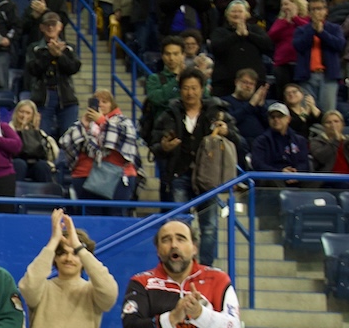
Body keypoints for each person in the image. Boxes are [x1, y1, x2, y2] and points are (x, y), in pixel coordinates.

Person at [152, 69, 244, 267]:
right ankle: (179, 267)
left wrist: (227, 132)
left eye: (194, 88)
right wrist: (165, 147)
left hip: (208, 178)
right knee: (179, 224)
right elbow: (154, 144)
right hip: (179, 173)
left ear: (202, 89)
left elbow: (239, 142)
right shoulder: (169, 113)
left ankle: (206, 269)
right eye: (185, 88)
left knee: (209, 227)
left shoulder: (218, 112)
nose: (190, 93)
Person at [122, 219, 241, 328]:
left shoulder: (218, 279)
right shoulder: (142, 282)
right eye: (166, 240)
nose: (174, 245)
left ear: (194, 247)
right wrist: (172, 318)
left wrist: (200, 314)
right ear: (158, 250)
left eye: (181, 239)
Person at [19, 209, 117, 328]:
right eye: (63, 253)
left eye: (75, 254)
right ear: (55, 258)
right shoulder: (43, 288)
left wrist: (79, 247)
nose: (69, 259)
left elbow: (110, 292)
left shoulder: (92, 292)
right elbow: (28, 287)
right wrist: (53, 242)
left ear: (83, 259)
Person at [59, 90, 139, 211]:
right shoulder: (85, 123)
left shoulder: (123, 122)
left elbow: (117, 142)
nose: (100, 104)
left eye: (105, 101)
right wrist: (83, 124)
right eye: (97, 102)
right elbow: (65, 141)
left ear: (112, 104)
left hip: (116, 178)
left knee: (114, 217)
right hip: (84, 177)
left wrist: (101, 121)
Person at [24, 12, 79, 138]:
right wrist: (50, 54)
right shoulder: (34, 48)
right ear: (41, 27)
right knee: (42, 135)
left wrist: (59, 55)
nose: (50, 28)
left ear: (60, 27)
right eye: (47, 25)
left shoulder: (69, 48)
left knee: (69, 137)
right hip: (42, 97)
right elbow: (33, 69)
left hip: (66, 97)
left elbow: (73, 67)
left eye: (53, 25)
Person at [293, 0, 345, 115]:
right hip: (307, 77)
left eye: (319, 9)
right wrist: (313, 29)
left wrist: (321, 32)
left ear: (326, 11)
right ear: (309, 12)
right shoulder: (301, 30)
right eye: (313, 9)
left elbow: (339, 45)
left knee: (328, 113)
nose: (316, 12)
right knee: (307, 112)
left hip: (328, 77)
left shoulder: (334, 28)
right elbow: (299, 46)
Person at [251, 103, 311, 186]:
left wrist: (295, 172)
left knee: (315, 179)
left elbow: (305, 163)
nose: (276, 119)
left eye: (280, 116)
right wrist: (280, 172)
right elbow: (258, 164)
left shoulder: (300, 140)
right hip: (273, 179)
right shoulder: (261, 141)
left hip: (297, 178)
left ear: (288, 119)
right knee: (270, 181)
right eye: (272, 117)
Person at [8, 99, 56, 184]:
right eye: (21, 112)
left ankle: (45, 195)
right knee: (20, 164)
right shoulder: (8, 129)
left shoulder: (39, 132)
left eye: (28, 113)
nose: (24, 115)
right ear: (16, 113)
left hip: (35, 162)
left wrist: (36, 132)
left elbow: (52, 152)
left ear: (33, 115)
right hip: (16, 162)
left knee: (43, 166)